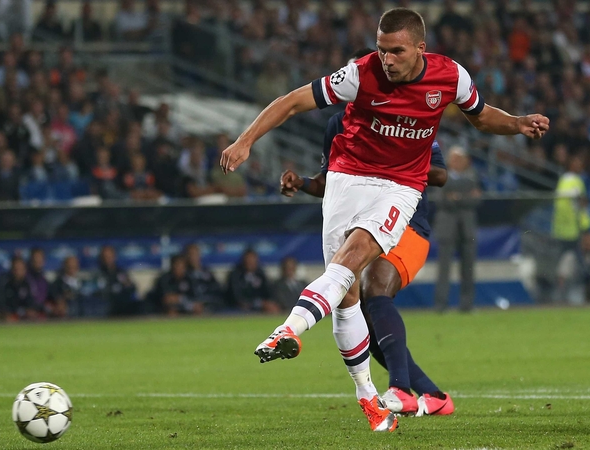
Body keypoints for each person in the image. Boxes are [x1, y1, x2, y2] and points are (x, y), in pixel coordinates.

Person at [219, 7, 549, 432]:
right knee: (346, 294)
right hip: (346, 178)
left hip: (399, 188)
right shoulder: (360, 74)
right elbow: (293, 101)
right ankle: (370, 400)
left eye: (396, 51)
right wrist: (246, 140)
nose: (387, 59)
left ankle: (289, 328)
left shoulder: (451, 77)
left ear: (419, 49)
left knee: (353, 261)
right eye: (381, 50)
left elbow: (482, 116)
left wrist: (517, 123)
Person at [280, 102, 453, 416]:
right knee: (363, 322)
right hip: (361, 231)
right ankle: (433, 395)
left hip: (407, 225)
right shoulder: (337, 124)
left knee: (375, 289)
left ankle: (399, 388)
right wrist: (302, 183)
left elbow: (440, 175)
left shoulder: (408, 121)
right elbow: (328, 180)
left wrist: (386, 163)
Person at [431, 146, 481, 313]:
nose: (458, 162)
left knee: (468, 269)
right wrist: (464, 198)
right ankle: (440, 305)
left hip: (467, 228)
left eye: (461, 159)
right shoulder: (441, 177)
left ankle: (467, 305)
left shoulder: (472, 178)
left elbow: (476, 200)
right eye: (455, 159)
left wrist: (455, 198)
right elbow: (440, 201)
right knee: (444, 269)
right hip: (447, 228)